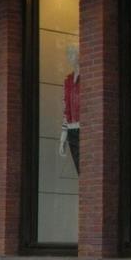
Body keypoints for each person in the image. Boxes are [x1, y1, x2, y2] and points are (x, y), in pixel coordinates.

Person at [58, 44, 80, 173]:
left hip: (84, 128)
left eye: (72, 54)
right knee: (79, 170)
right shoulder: (68, 81)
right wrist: (63, 138)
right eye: (68, 55)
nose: (70, 57)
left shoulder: (87, 76)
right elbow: (66, 111)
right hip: (72, 130)